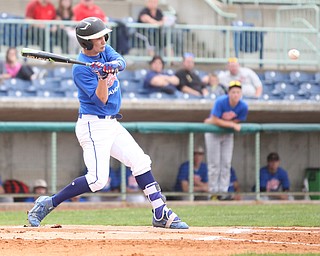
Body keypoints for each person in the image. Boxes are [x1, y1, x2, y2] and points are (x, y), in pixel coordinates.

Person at [27, 17, 188, 229]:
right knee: (97, 180)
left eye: (104, 36)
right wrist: (102, 76)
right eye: (98, 38)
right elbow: (101, 100)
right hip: (94, 126)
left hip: (112, 124)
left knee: (140, 161)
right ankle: (48, 203)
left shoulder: (105, 50)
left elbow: (121, 61)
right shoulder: (80, 70)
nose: (103, 40)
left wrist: (110, 66)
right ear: (86, 43)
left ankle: (160, 212)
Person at [204, 80, 248, 197]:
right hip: (213, 133)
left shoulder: (243, 106)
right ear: (228, 93)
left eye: (238, 92)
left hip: (227, 134)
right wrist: (231, 124)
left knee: (226, 164)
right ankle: (213, 193)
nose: (235, 94)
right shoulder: (221, 101)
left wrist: (225, 123)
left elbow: (238, 120)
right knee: (214, 165)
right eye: (233, 92)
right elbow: (214, 119)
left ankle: (223, 192)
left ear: (241, 93)